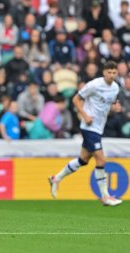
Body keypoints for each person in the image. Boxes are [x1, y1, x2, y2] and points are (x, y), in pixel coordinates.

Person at [49, 61, 123, 206]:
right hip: (89, 127)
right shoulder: (94, 85)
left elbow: (110, 104)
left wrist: (115, 108)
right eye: (109, 72)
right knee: (101, 160)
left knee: (83, 160)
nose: (111, 75)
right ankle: (105, 196)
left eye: (114, 73)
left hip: (98, 127)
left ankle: (55, 178)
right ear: (104, 72)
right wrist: (85, 115)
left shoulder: (115, 88)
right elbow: (76, 99)